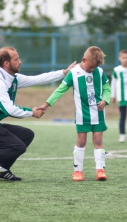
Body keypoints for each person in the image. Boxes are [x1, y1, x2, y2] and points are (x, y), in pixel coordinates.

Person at [0, 46, 76, 182]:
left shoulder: (13, 78)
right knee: (17, 146)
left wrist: (64, 72)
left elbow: (38, 79)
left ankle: (3, 170)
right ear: (6, 63)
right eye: (16, 59)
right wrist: (32, 112)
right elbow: (9, 109)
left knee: (27, 135)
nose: (20, 62)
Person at [38, 46, 111, 182]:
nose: (92, 69)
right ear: (84, 60)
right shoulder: (73, 73)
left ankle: (100, 170)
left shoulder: (100, 72)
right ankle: (78, 171)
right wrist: (46, 104)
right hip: (82, 115)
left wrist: (105, 100)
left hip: (99, 115)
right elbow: (60, 90)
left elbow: (107, 88)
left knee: (98, 141)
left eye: (94, 67)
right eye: (90, 66)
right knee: (81, 141)